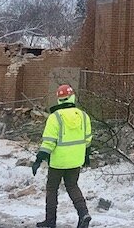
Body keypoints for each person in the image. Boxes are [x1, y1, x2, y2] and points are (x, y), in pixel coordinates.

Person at [32, 84, 93, 228]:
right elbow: (88, 139)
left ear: (59, 99)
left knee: (52, 189)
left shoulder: (55, 118)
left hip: (58, 161)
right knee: (72, 186)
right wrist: (86, 155)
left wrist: (38, 159)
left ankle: (50, 221)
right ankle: (84, 214)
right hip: (76, 159)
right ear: (72, 97)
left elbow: (49, 142)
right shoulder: (83, 116)